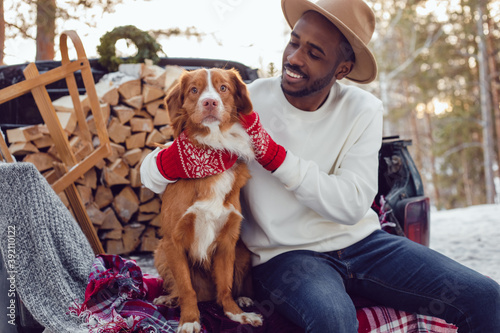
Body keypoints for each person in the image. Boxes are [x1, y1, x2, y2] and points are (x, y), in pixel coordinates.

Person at [141, 0, 500, 331]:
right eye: (294, 42)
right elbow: (150, 174)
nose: (295, 58)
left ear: (342, 68)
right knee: (332, 319)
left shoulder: (363, 109)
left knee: (486, 298)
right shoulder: (243, 100)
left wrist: (276, 157)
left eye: (314, 53)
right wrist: (171, 161)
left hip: (364, 243)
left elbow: (351, 204)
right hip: (285, 256)